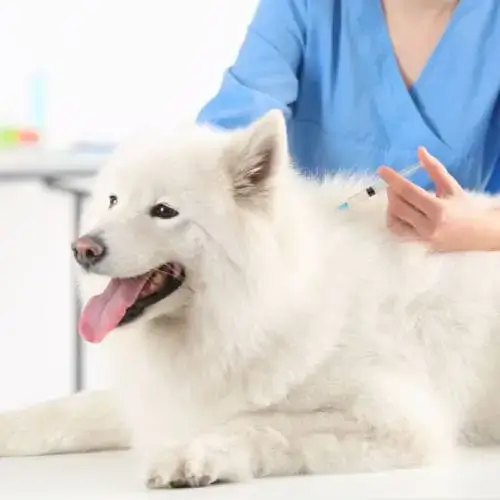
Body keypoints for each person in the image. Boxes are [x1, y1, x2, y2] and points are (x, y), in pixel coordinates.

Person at [196, 0, 500, 252]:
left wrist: (479, 228)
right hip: (318, 273)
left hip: (453, 286)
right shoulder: (303, 7)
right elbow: (225, 147)